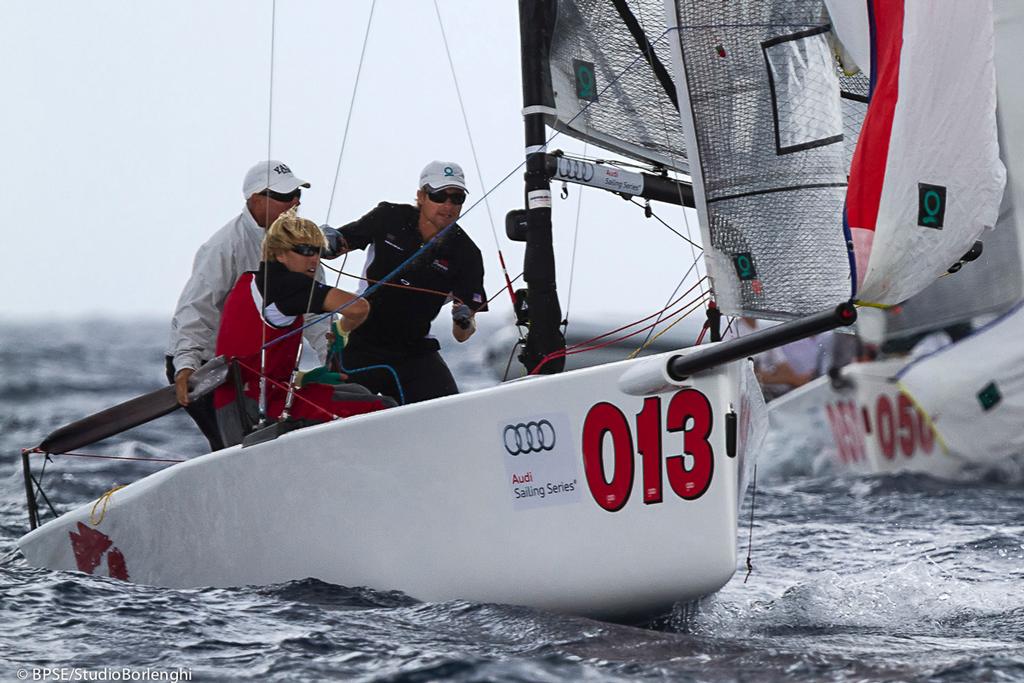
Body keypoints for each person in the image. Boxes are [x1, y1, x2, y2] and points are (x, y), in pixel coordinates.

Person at [166, 160, 332, 451]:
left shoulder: (304, 249)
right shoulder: (224, 246)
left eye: (297, 195)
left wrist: (334, 359)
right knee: (235, 448)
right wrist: (185, 367)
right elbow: (195, 311)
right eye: (283, 196)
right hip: (208, 368)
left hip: (259, 370)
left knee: (269, 442)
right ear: (254, 199)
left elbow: (316, 318)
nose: (293, 202)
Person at [211, 210, 392, 447]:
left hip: (238, 404)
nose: (314, 259)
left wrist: (302, 379)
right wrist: (342, 331)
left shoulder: (248, 280)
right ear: (279, 254)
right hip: (259, 413)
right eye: (305, 250)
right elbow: (359, 308)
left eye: (317, 250)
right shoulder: (286, 286)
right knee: (385, 407)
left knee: (357, 390)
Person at [332, 161, 487, 404]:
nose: (448, 205)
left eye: (456, 198)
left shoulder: (467, 252)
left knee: (450, 414)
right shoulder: (389, 216)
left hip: (413, 351)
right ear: (421, 196)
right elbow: (336, 245)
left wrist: (464, 320)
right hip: (361, 342)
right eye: (439, 196)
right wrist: (319, 240)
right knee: (329, 409)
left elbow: (462, 336)